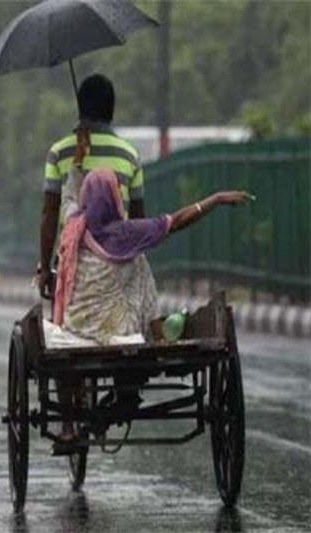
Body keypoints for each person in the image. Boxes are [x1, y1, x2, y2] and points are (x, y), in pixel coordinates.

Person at [51, 167, 251, 448]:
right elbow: (178, 220)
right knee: (139, 261)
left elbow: (68, 200)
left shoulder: (73, 227)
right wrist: (215, 199)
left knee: (135, 262)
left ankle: (69, 425)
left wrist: (76, 164)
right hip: (119, 331)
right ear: (113, 199)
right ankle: (138, 368)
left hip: (78, 327)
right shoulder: (129, 233)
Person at [40, 74, 145, 297]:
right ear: (111, 110)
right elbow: (138, 221)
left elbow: (49, 215)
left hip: (71, 266)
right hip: (117, 265)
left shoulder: (59, 153)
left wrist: (44, 269)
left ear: (79, 108)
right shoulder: (130, 155)